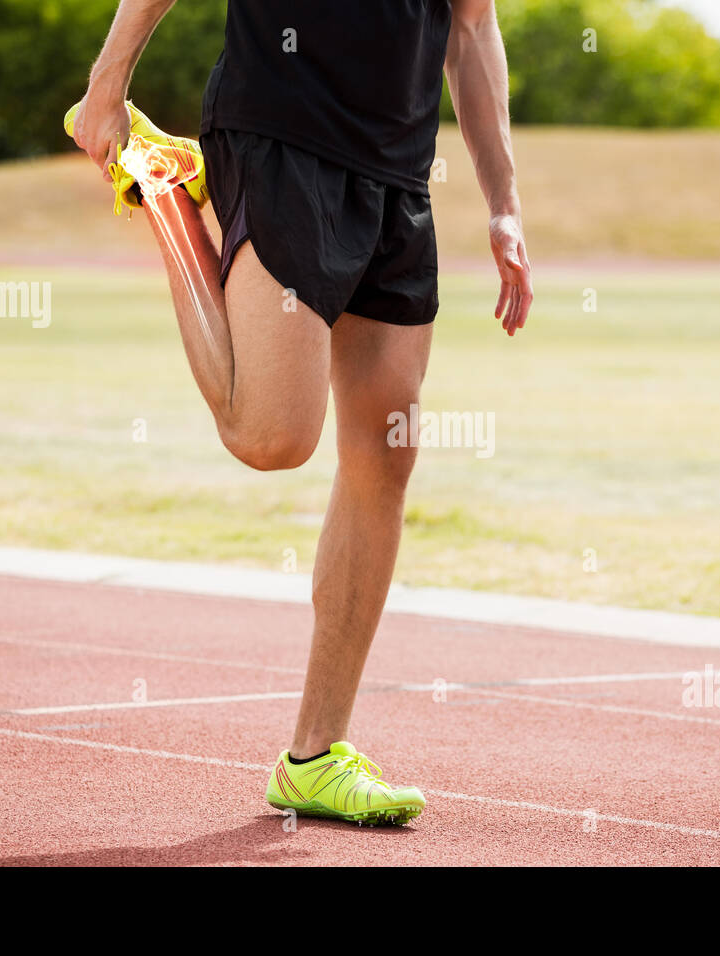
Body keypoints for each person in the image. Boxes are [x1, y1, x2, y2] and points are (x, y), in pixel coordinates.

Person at [66, 0, 533, 825]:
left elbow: (472, 26)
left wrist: (504, 204)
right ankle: (166, 195)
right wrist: (108, 86)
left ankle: (315, 757)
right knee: (270, 435)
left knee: (387, 451)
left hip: (396, 170)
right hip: (282, 134)